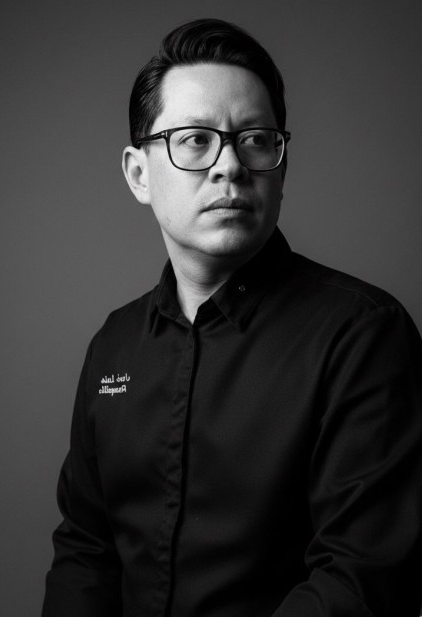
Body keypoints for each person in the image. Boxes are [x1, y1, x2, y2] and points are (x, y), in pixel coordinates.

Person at [42, 18, 422, 617]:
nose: (230, 166)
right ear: (139, 174)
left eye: (255, 139)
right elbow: (86, 552)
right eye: (195, 139)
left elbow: (361, 577)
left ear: (281, 167)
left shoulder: (363, 333)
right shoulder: (113, 345)